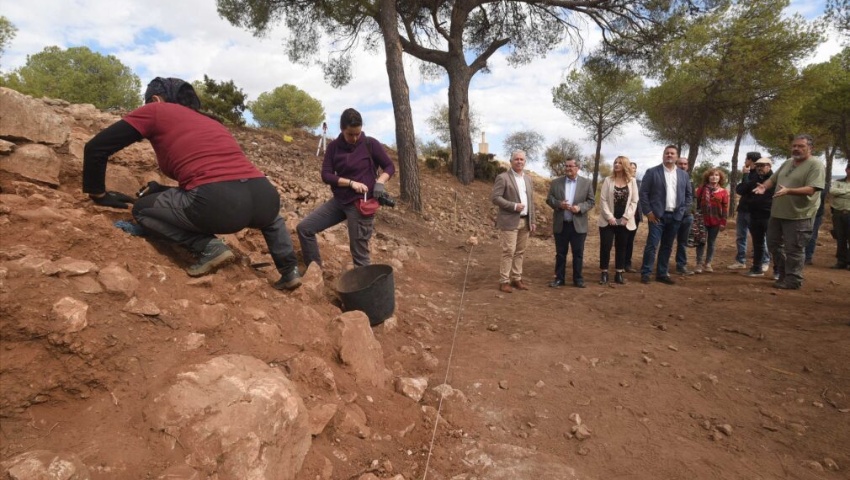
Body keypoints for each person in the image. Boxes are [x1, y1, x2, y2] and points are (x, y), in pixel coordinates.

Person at [82, 77, 302, 290]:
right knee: (271, 218)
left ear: (155, 100)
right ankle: (289, 271)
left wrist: (98, 193)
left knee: (142, 210)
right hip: (265, 197)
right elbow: (223, 174)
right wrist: (164, 190)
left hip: (220, 204)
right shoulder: (212, 122)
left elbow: (95, 148)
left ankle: (208, 247)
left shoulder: (156, 110)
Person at [297, 108, 395, 269]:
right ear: (342, 129)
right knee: (305, 228)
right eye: (350, 134)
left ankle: (364, 292)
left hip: (361, 205)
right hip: (340, 201)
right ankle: (314, 273)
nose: (355, 138)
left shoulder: (370, 144)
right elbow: (326, 175)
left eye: (358, 133)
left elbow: (390, 166)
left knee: (360, 256)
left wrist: (380, 181)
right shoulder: (334, 147)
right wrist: (350, 183)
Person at [753, 134, 826, 289]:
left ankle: (794, 280)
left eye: (801, 146)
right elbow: (773, 179)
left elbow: (812, 189)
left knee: (794, 249)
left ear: (810, 148)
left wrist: (789, 191)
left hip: (799, 214)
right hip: (778, 212)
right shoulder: (787, 162)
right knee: (772, 244)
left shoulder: (816, 165)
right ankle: (784, 273)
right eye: (794, 146)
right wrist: (763, 187)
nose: (796, 149)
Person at [638, 145, 693, 285]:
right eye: (667, 153)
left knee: (667, 246)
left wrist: (682, 212)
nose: (669, 155)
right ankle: (646, 273)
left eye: (672, 153)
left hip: (675, 217)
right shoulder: (652, 172)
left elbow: (688, 195)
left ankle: (662, 273)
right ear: (663, 155)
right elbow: (643, 193)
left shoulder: (683, 175)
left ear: (676, 156)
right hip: (656, 216)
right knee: (652, 244)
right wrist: (648, 212)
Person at [491, 150, 537, 293]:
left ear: (525, 162)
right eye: (516, 159)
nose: (519, 161)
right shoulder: (503, 177)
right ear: (511, 161)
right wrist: (514, 206)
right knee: (508, 251)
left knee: (520, 252)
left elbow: (531, 201)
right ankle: (504, 281)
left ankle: (516, 278)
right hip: (509, 220)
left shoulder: (528, 179)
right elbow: (495, 198)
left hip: (525, 221)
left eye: (522, 159)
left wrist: (533, 220)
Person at [546, 157, 595, 288]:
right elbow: (549, 199)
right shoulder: (556, 183)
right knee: (560, 254)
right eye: (566, 166)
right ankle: (559, 279)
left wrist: (580, 208)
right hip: (561, 224)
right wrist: (559, 204)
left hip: (578, 225)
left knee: (578, 254)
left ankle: (578, 279)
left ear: (577, 168)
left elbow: (591, 201)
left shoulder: (586, 183)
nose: (568, 168)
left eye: (570, 166)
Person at [597, 156, 639, 285]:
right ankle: (604, 273)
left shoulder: (632, 181)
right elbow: (603, 200)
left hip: (625, 221)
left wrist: (626, 217)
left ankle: (619, 273)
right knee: (606, 246)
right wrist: (609, 217)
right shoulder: (608, 180)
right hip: (608, 221)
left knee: (622, 247)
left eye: (619, 163)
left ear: (625, 165)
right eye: (615, 162)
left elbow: (634, 201)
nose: (616, 165)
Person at [729, 151, 769, 270]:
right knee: (741, 236)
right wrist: (745, 177)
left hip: (754, 211)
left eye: (746, 159)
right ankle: (740, 260)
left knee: (760, 238)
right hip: (743, 209)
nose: (745, 162)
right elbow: (740, 190)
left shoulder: (758, 175)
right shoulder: (748, 174)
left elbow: (747, 189)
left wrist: (745, 177)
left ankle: (764, 261)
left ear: (750, 160)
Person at [736, 157, 775, 277]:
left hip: (770, 216)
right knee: (757, 243)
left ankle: (778, 271)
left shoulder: (775, 180)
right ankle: (757, 268)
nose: (759, 168)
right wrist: (745, 175)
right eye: (757, 166)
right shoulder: (754, 179)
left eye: (762, 166)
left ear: (769, 166)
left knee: (774, 244)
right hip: (755, 215)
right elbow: (740, 190)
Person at [693, 168, 729, 273]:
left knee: (711, 242)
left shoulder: (723, 192)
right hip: (702, 220)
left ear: (720, 178)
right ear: (707, 177)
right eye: (712, 175)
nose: (714, 177)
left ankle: (708, 263)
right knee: (701, 242)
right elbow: (696, 204)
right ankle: (699, 264)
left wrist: (723, 222)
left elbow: (725, 208)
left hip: (716, 221)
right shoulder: (701, 189)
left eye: (717, 175)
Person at [674, 157, 696, 275]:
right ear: (676, 165)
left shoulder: (690, 180)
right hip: (671, 216)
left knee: (682, 242)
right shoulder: (670, 178)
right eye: (680, 164)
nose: (682, 166)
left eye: (685, 164)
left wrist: (688, 211)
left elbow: (693, 197)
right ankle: (662, 266)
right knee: (666, 242)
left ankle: (681, 265)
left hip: (686, 216)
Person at [829, 164, 850, 269]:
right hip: (838, 213)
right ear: (846, 170)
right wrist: (847, 191)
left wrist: (840, 193)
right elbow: (832, 191)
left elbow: (836, 192)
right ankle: (841, 261)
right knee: (840, 238)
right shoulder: (838, 181)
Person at [624, 162, 642, 273]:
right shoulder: (622, 181)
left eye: (634, 168)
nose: (633, 170)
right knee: (622, 240)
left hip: (635, 217)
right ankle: (620, 263)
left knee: (630, 240)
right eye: (631, 168)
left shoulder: (640, 183)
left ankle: (627, 264)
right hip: (624, 216)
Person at [804, 188, 828, 265]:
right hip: (803, 213)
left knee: (812, 236)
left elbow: (819, 194)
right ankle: (800, 256)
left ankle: (808, 257)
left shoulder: (823, 186)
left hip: (816, 214)